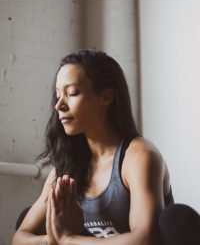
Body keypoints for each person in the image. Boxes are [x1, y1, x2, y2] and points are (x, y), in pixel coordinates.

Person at [12, 49, 200, 245]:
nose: (59, 105)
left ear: (106, 97)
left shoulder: (139, 156)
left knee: (178, 219)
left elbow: (145, 239)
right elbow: (19, 237)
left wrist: (68, 239)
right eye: (58, 95)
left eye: (72, 93)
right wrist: (53, 239)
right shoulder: (67, 166)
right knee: (30, 217)